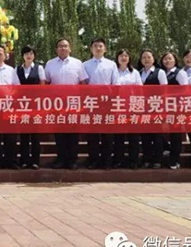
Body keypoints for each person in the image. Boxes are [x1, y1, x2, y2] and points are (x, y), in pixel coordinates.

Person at [45, 38, 89, 170]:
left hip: (73, 103)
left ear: (70, 49)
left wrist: (83, 102)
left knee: (73, 134)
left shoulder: (77, 63)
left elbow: (83, 83)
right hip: (56, 104)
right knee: (59, 134)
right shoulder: (50, 64)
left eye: (65, 46)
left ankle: (73, 160)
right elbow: (46, 83)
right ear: (56, 49)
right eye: (60, 46)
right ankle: (61, 159)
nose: (63, 48)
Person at [83, 38, 119, 170]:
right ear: (91, 49)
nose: (98, 48)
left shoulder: (111, 64)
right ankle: (93, 161)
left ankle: (106, 161)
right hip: (91, 103)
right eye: (95, 46)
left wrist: (112, 100)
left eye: (100, 46)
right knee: (92, 134)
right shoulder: (85, 65)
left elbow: (116, 84)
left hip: (107, 102)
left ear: (105, 49)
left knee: (107, 134)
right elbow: (83, 84)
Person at [16, 45, 46, 170]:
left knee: (35, 135)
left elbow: (42, 85)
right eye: (26, 54)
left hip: (35, 105)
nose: (29, 56)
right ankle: (24, 160)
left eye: (31, 54)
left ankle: (35, 161)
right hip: (22, 105)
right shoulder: (17, 69)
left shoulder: (39, 68)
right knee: (24, 135)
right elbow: (15, 87)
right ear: (22, 56)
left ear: (34, 56)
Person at [113, 49, 142, 169]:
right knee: (118, 136)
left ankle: (133, 161)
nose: (123, 58)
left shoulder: (134, 72)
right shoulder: (113, 71)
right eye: (121, 55)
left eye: (126, 56)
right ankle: (118, 160)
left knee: (133, 136)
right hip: (117, 106)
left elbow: (140, 89)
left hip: (132, 106)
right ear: (117, 58)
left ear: (129, 58)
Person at [160, 51, 189, 169]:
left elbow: (185, 90)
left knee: (175, 133)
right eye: (165, 59)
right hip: (161, 106)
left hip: (175, 107)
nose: (167, 61)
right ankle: (166, 148)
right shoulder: (162, 72)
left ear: (175, 60)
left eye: (170, 58)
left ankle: (174, 160)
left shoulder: (180, 73)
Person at [138, 49, 166, 168]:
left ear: (154, 59)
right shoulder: (138, 73)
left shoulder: (160, 72)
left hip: (156, 107)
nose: (146, 59)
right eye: (144, 57)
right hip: (142, 108)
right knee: (145, 136)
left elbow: (165, 90)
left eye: (149, 57)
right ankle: (147, 159)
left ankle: (157, 160)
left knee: (157, 135)